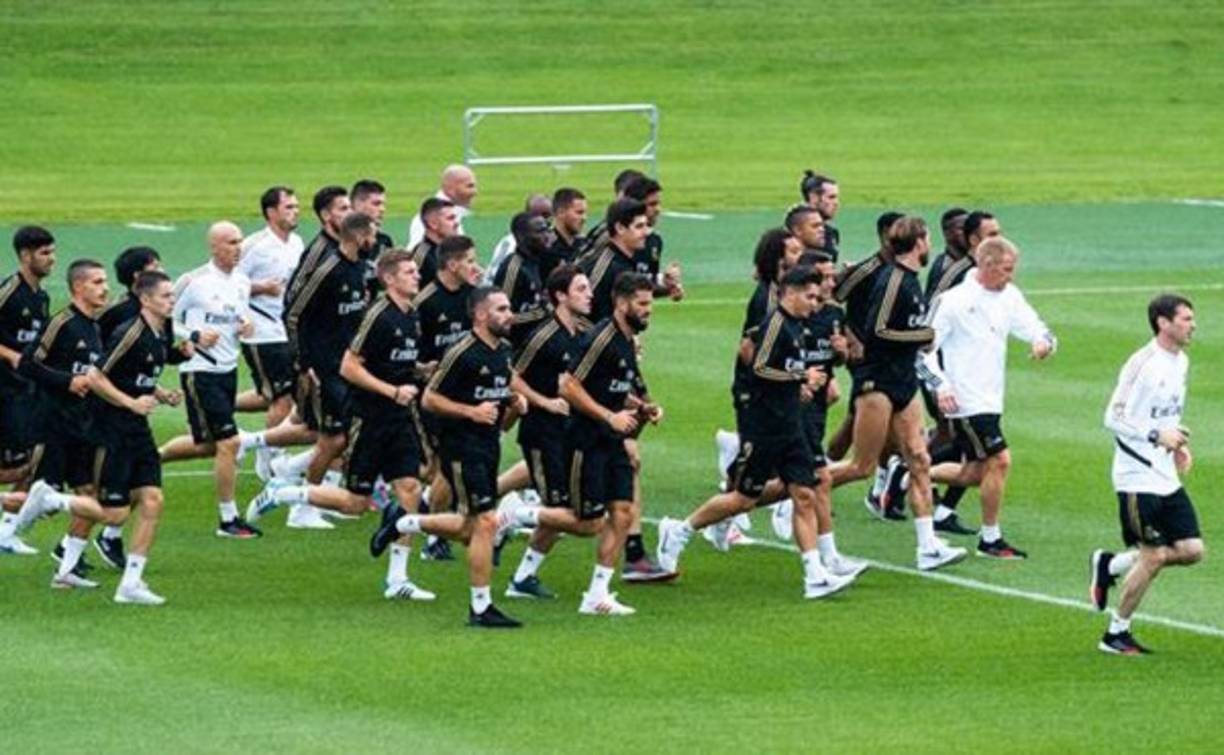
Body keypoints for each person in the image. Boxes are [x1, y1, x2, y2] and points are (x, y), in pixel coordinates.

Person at [656, 267, 854, 598]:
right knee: (743, 498)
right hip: (766, 428)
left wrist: (801, 386)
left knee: (805, 493)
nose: (814, 303)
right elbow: (760, 368)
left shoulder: (796, 326)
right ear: (790, 293)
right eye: (810, 296)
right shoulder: (775, 326)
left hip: (791, 426)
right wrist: (800, 379)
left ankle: (814, 575)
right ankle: (679, 530)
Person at [249, 250, 436, 601]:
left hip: (400, 418)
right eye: (409, 272)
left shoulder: (411, 315)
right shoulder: (378, 316)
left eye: (416, 271)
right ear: (389, 279)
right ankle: (284, 493)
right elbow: (350, 367)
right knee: (355, 503)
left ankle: (398, 579)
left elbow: (396, 363)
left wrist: (420, 372)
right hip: (370, 418)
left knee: (409, 488)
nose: (417, 276)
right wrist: (391, 390)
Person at [370, 286, 523, 628]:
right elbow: (430, 399)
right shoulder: (462, 352)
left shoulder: (503, 351)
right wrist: (471, 412)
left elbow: (496, 389)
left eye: (508, 307)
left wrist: (513, 401)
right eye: (500, 309)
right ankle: (481, 608)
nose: (508, 314)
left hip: (488, 444)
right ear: (481, 315)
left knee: (472, 528)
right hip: (461, 445)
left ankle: (403, 521)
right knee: (485, 522)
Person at [826, 216, 966, 570]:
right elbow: (878, 330)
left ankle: (927, 546)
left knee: (919, 459)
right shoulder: (893, 280)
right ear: (918, 241)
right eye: (928, 237)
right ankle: (792, 493)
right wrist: (922, 337)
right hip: (878, 382)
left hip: (903, 380)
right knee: (862, 466)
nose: (930, 243)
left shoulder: (911, 280)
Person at [912, 237, 1056, 559]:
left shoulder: (1010, 296)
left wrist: (1043, 343)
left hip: (991, 397)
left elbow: (1038, 328)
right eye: (1006, 269)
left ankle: (911, 471)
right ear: (986, 265)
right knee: (1000, 461)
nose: (1011, 276)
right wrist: (941, 386)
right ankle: (990, 539)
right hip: (963, 400)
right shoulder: (952, 301)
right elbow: (922, 353)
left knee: (977, 471)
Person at [1090, 294, 1202, 655]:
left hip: (1164, 473)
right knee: (1152, 556)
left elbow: (1164, 414)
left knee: (1191, 550)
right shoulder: (1142, 363)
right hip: (1136, 476)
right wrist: (1156, 436)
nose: (1192, 325)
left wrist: (1177, 443)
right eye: (1185, 319)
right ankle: (1115, 633)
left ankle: (1112, 564)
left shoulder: (1181, 361)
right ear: (1162, 323)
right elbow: (1113, 416)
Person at [557, 272, 663, 612]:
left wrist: (641, 406)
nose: (648, 310)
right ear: (621, 303)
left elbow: (616, 386)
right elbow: (568, 386)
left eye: (650, 303)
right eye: (642, 304)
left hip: (612, 439)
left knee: (621, 511)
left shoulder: (628, 340)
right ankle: (519, 515)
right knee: (588, 522)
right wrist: (608, 416)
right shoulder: (600, 338)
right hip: (585, 437)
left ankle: (596, 595)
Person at [6, 259, 112, 588]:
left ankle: (66, 571)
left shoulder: (94, 328)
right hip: (52, 424)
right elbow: (27, 363)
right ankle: (7, 531)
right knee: (39, 496)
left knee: (89, 494)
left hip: (82, 425)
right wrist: (67, 381)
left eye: (105, 281)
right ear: (78, 287)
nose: (104, 287)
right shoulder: (61, 323)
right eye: (96, 282)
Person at [84, 271, 182, 603]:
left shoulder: (161, 332)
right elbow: (95, 377)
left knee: (153, 500)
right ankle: (50, 501)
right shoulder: (130, 333)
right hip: (114, 428)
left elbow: (134, 376)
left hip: (138, 430)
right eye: (166, 296)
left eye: (172, 295)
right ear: (146, 299)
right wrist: (130, 403)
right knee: (114, 514)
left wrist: (160, 393)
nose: (172, 301)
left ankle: (131, 583)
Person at [158, 222, 261, 538]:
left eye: (240, 241)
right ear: (214, 247)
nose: (238, 247)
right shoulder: (194, 281)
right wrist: (193, 334)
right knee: (229, 442)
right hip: (200, 371)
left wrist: (246, 325)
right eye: (231, 242)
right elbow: (163, 316)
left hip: (228, 369)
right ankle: (228, 519)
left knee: (207, 446)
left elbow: (240, 315)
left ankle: (150, 459)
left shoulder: (243, 281)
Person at [501, 264, 594, 600]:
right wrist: (544, 402)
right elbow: (511, 375)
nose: (589, 294)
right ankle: (512, 517)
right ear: (560, 296)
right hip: (542, 433)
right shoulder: (542, 337)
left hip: (571, 433)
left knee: (560, 512)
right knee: (563, 511)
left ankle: (523, 578)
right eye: (581, 289)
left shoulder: (584, 331)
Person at [281, 212, 375, 507]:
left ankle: (291, 472)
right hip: (325, 367)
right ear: (359, 237)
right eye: (371, 235)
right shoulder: (328, 270)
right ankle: (302, 503)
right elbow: (293, 313)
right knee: (333, 438)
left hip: (349, 365)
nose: (374, 240)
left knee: (346, 435)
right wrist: (304, 363)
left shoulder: (360, 268)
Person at [0, 226, 55, 555]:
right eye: (44, 253)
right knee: (15, 468)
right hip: (6, 391)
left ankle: (6, 530)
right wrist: (13, 357)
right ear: (25, 256)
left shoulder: (42, 297)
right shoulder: (9, 292)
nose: (52, 259)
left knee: (36, 459)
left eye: (52, 252)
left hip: (30, 390)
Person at [920, 207, 974, 535]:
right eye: (957, 229)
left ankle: (909, 479)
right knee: (963, 439)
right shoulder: (950, 270)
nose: (962, 234)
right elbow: (935, 320)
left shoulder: (963, 266)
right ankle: (905, 475)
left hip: (954, 366)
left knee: (951, 435)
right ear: (946, 233)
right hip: (940, 367)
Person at [235, 186, 304, 443]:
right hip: (261, 330)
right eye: (289, 207)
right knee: (281, 396)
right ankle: (271, 457)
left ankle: (221, 405)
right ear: (271, 212)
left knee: (278, 393)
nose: (295, 212)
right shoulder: (254, 246)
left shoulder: (296, 243)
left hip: (286, 328)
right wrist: (261, 287)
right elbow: (229, 281)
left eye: (296, 207)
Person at [493, 211, 552, 348]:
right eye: (540, 231)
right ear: (521, 236)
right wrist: (542, 312)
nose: (547, 236)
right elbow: (502, 317)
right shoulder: (513, 269)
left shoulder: (536, 261)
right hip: (517, 347)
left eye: (548, 229)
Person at [484, 194, 552, 284]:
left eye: (547, 216)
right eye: (537, 215)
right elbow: (493, 276)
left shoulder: (547, 242)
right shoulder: (510, 243)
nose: (542, 220)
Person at [407, 164, 476, 249]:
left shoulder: (452, 214)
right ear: (451, 189)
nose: (475, 192)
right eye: (469, 186)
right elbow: (416, 257)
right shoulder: (428, 218)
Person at [350, 179, 395, 296]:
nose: (382, 209)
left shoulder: (384, 242)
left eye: (383, 204)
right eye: (376, 204)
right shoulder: (339, 242)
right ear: (357, 205)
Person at [409, 197, 460, 288]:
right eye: (450, 218)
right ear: (433, 224)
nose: (456, 223)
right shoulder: (421, 254)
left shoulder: (454, 250)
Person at [541, 188, 587, 281]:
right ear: (560, 212)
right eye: (579, 213)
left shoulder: (584, 244)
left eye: (585, 213)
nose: (584, 218)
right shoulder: (545, 248)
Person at [800, 170, 840, 259]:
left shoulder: (831, 233)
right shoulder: (797, 233)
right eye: (831, 197)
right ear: (813, 198)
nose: (836, 203)